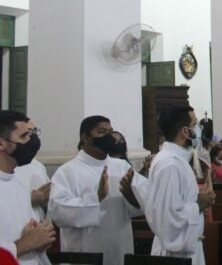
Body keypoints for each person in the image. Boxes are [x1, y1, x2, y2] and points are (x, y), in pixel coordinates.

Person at [48, 116, 144, 265]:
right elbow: (58, 212)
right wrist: (96, 198)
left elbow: (145, 202)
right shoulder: (67, 171)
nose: (109, 137)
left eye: (110, 132)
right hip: (84, 253)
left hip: (119, 248)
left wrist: (131, 196)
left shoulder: (122, 167)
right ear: (85, 137)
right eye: (102, 132)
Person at [141, 106, 215, 264]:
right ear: (185, 131)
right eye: (195, 124)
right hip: (175, 254)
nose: (198, 130)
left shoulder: (177, 160)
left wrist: (200, 201)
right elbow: (169, 218)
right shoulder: (170, 164)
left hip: (187, 246)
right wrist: (198, 204)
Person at [0, 110, 55, 265]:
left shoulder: (19, 181)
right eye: (24, 136)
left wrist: (40, 239)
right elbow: (25, 242)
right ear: (1, 143)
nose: (30, 141)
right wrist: (24, 244)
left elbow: (27, 235)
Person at [13, 121, 50, 223]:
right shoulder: (7, 167)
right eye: (28, 133)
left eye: (35, 132)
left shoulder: (37, 166)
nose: (33, 137)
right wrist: (30, 199)